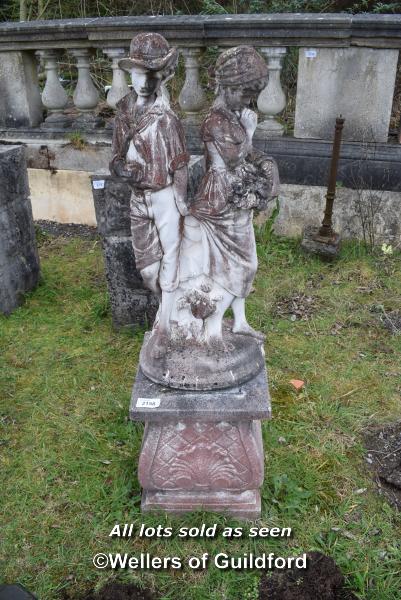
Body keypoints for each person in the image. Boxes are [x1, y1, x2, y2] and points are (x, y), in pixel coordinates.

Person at [186, 45, 279, 342]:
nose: (248, 100)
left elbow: (247, 157)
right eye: (243, 92)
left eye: (251, 94)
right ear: (225, 87)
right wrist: (250, 132)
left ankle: (239, 321)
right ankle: (212, 330)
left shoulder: (234, 113)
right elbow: (234, 158)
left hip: (236, 193)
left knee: (245, 262)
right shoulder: (214, 120)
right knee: (235, 266)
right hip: (222, 195)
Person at [109, 33, 190, 358]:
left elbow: (180, 164)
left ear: (163, 76)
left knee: (171, 257)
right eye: (139, 73)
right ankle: (169, 312)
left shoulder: (168, 119)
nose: (145, 81)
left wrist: (182, 202)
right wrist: (120, 170)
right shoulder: (124, 111)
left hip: (164, 196)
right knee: (147, 270)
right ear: (130, 74)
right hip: (138, 198)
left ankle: (166, 323)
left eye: (152, 75)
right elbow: (115, 157)